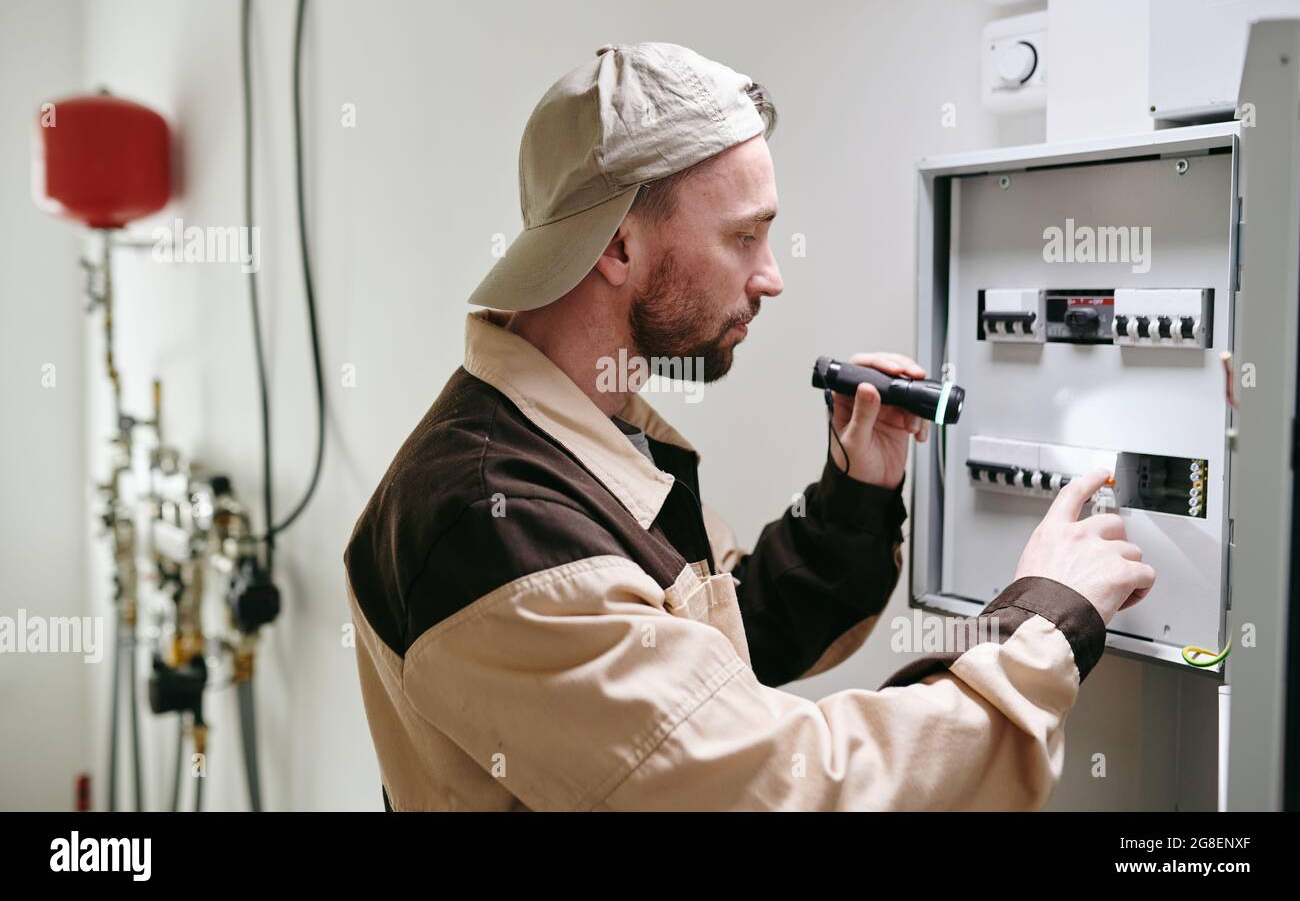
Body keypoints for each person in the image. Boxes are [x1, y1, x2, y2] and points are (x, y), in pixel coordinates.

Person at [343, 42, 1156, 811]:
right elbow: (785, 787)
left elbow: (725, 654)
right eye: (744, 236)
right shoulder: (494, 521)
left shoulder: (583, 437)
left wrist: (853, 499)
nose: (771, 276)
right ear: (617, 246)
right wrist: (1044, 623)